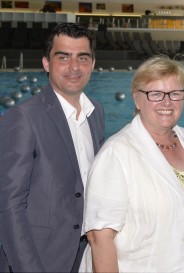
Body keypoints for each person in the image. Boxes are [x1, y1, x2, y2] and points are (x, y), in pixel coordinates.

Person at [79, 56, 184, 273]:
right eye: (155, 94)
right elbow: (99, 238)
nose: (166, 102)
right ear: (137, 99)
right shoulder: (116, 154)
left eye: (175, 93)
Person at [0, 23, 105, 272]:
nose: (74, 67)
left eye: (82, 57)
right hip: (40, 258)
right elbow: (8, 205)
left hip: (86, 255)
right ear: (47, 63)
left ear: (92, 64)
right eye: (63, 57)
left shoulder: (96, 112)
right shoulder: (23, 118)